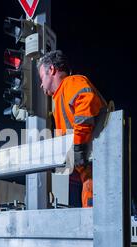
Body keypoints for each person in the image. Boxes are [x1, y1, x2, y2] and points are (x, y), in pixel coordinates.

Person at [37, 50, 105, 207]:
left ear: (52, 70)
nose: (41, 84)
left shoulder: (71, 83)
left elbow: (86, 100)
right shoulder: (60, 97)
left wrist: (78, 146)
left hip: (98, 166)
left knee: (95, 216)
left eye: (42, 78)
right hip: (88, 172)